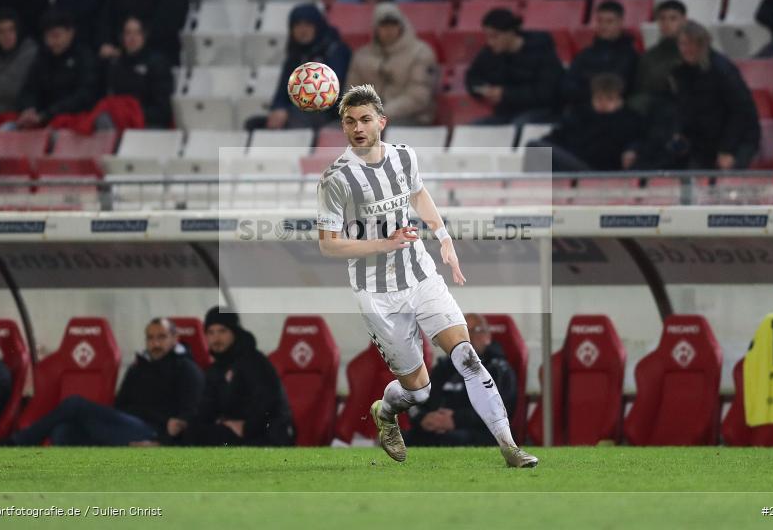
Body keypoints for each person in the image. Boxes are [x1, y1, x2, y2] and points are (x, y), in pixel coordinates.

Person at [316, 84, 538, 468]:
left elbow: (418, 194)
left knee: (467, 356)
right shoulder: (335, 180)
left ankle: (510, 447)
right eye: (350, 121)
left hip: (421, 276)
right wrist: (384, 245)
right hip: (376, 293)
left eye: (366, 119)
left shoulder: (404, 158)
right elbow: (328, 245)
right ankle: (386, 413)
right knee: (418, 391)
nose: (358, 127)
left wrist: (444, 237)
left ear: (382, 122)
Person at [7, 318, 204, 446]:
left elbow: (190, 415)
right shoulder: (138, 367)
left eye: (162, 337)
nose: (156, 343)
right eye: (151, 338)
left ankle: (18, 443)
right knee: (63, 432)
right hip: (127, 426)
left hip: (153, 432)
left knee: (75, 403)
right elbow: (121, 404)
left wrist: (163, 442)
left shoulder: (186, 369)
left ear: (175, 339)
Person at [184, 307, 295, 447]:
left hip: (267, 431)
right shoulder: (215, 369)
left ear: (235, 332)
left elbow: (269, 402)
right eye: (211, 333)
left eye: (222, 331)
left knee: (220, 438)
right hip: (234, 430)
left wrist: (247, 427)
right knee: (193, 433)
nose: (216, 338)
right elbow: (207, 406)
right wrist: (190, 425)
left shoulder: (254, 361)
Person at [404, 314, 517, 447]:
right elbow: (417, 400)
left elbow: (500, 410)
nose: (466, 337)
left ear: (487, 336)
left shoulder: (498, 370)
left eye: (472, 331)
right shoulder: (444, 367)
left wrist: (455, 420)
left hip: (477, 432)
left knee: (452, 440)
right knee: (400, 439)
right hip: (436, 430)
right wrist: (423, 418)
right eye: (460, 332)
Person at [664, 21, 760, 170]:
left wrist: (727, 149)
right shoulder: (680, 72)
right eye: (683, 44)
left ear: (704, 44)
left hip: (739, 138)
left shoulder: (722, 70)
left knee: (726, 178)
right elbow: (682, 108)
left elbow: (741, 112)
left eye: (692, 44)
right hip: (704, 140)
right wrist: (680, 132)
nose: (687, 49)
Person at [464, 8, 563, 127]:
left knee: (519, 125)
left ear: (510, 32)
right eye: (488, 37)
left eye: (495, 36)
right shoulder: (489, 53)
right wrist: (484, 90)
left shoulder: (541, 51)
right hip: (505, 113)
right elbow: (472, 76)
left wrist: (506, 94)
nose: (490, 42)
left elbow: (546, 92)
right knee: (475, 127)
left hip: (543, 111)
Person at [345, 3, 438, 126]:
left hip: (412, 118)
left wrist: (382, 113)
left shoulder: (421, 52)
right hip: (368, 119)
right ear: (375, 29)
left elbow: (418, 97)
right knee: (335, 131)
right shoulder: (361, 56)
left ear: (401, 26)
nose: (389, 29)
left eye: (394, 24)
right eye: (383, 25)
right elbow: (352, 93)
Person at [261, 3, 351, 130]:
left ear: (317, 26)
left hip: (329, 112)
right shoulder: (295, 55)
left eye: (307, 25)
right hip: (298, 110)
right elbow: (282, 91)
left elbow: (330, 90)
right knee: (255, 124)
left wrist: (288, 110)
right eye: (297, 25)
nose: (302, 30)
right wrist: (279, 108)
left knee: (295, 120)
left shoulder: (335, 50)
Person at [539, 73, 643, 171]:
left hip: (600, 170)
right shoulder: (580, 115)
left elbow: (639, 141)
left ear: (619, 99)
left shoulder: (630, 120)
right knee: (537, 148)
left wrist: (632, 150)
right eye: (598, 98)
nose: (603, 103)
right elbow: (560, 135)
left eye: (609, 99)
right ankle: (536, 188)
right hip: (575, 162)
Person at [14, 10, 99, 129]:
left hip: (72, 122)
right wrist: (29, 109)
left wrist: (49, 113)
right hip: (40, 120)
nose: (52, 41)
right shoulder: (42, 58)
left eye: (56, 35)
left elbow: (85, 95)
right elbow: (28, 89)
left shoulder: (84, 57)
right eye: (47, 36)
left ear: (70, 33)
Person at [562, 0, 639, 107]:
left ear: (620, 22)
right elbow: (568, 85)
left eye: (609, 21)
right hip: (582, 107)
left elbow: (620, 86)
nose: (603, 26)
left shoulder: (630, 56)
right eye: (600, 21)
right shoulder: (585, 54)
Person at [106, 17, 174, 128]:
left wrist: (134, 114)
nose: (132, 38)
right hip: (122, 121)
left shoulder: (158, 63)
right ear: (122, 37)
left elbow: (163, 110)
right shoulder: (116, 64)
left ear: (144, 36)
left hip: (149, 123)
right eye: (128, 33)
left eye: (137, 33)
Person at [629, 0, 686, 116]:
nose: (667, 23)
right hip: (651, 110)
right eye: (662, 18)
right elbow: (640, 89)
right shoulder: (648, 56)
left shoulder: (692, 53)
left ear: (684, 20)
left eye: (673, 18)